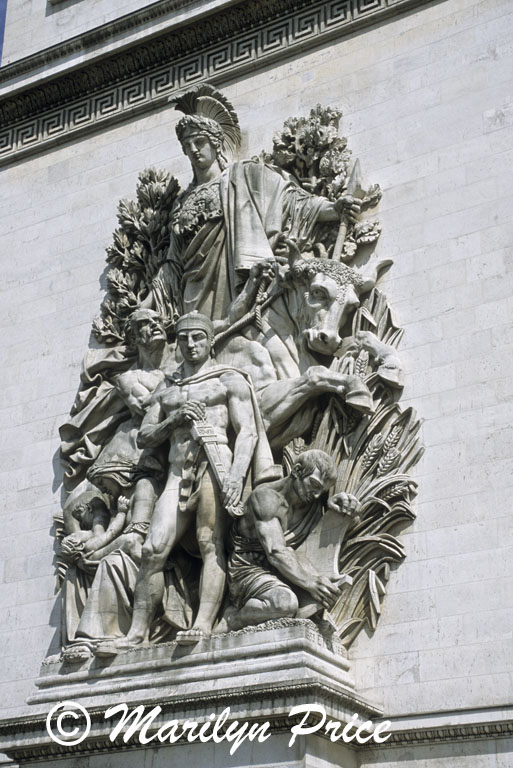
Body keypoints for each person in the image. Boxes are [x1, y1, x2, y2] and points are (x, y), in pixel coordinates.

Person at [105, 311, 277, 650]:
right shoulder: (168, 387)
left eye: (197, 337)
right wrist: (174, 421)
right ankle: (136, 633)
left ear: (210, 341)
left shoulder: (228, 379)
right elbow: (144, 436)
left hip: (214, 465)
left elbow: (247, 432)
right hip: (176, 470)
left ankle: (203, 624)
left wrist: (236, 478)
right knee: (153, 548)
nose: (190, 344)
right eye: (183, 338)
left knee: (209, 541)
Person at [149, 85, 361, 324]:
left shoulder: (245, 175)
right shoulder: (182, 202)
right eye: (187, 146)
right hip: (192, 286)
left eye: (200, 141)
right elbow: (173, 261)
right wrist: (147, 303)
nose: (194, 149)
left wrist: (333, 209)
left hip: (233, 276)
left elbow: (291, 201)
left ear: (216, 143)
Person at [223, 449, 360, 630]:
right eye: (314, 484)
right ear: (296, 470)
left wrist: (341, 509)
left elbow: (348, 527)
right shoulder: (265, 498)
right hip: (250, 568)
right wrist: (310, 582)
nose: (316, 494)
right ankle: (233, 619)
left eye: (322, 491)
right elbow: (275, 552)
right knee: (284, 603)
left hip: (290, 567)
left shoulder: (312, 501)